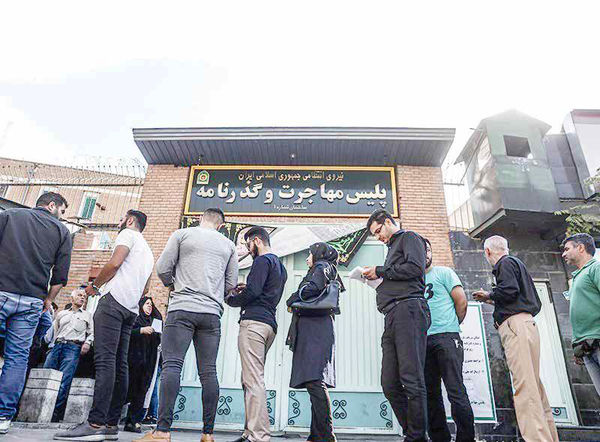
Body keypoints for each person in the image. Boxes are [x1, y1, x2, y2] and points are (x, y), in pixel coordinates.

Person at [135, 208, 238, 442]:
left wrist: (173, 284)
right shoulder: (229, 245)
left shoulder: (182, 234)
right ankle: (208, 434)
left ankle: (162, 431)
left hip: (182, 308)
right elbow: (231, 284)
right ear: (221, 226)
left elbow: (162, 268)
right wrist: (214, 294)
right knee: (208, 372)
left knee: (172, 366)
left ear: (200, 218)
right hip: (211, 314)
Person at [55, 209, 154, 441]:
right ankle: (110, 424)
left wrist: (95, 286)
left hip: (112, 302)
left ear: (130, 220)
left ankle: (95, 423)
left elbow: (115, 263)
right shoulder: (148, 251)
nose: (119, 222)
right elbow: (147, 289)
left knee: (105, 361)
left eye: (121, 219)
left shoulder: (127, 234)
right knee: (120, 364)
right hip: (130, 308)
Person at [473, 235, 558, 442]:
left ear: (488, 252)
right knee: (534, 387)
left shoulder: (504, 263)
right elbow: (518, 296)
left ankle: (536, 439)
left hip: (515, 326)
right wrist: (494, 300)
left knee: (524, 387)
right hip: (526, 324)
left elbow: (509, 290)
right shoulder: (517, 264)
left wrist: (489, 295)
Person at [0, 192, 72, 435]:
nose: (62, 216)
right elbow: (60, 276)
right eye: (62, 211)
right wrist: (48, 301)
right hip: (33, 301)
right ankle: (3, 416)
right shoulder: (62, 232)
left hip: (2, 290)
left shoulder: (9, 216)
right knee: (17, 358)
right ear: (52, 205)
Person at [362, 209, 430, 442]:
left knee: (412, 378)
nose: (378, 237)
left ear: (388, 222)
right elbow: (397, 274)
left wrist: (380, 271)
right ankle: (413, 433)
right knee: (389, 383)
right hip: (392, 315)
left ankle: (416, 437)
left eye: (378, 231)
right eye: (374, 234)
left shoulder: (409, 237)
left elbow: (415, 268)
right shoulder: (391, 249)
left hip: (409, 310)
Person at [225, 227, 288, 442]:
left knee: (252, 380)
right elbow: (265, 291)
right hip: (268, 325)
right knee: (250, 378)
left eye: (248, 244)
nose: (248, 249)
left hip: (253, 324)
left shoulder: (261, 260)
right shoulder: (279, 266)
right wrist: (249, 288)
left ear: (257, 241)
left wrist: (231, 299)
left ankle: (258, 436)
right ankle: (249, 432)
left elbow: (253, 293)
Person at [286, 243, 343, 442]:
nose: (307, 258)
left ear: (318, 254)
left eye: (309, 254)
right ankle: (317, 434)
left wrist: (293, 299)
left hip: (315, 331)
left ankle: (326, 435)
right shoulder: (324, 268)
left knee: (315, 381)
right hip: (316, 329)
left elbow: (314, 288)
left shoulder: (321, 266)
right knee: (314, 381)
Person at [423, 238, 474, 442]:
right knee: (430, 394)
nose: (425, 254)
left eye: (428, 250)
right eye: (421, 250)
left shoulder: (444, 272)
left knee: (455, 390)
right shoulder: (412, 280)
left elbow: (461, 301)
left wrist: (451, 326)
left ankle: (466, 438)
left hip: (447, 338)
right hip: (422, 342)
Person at [44, 287, 94, 422]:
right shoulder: (62, 314)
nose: (82, 298)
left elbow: (91, 333)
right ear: (72, 298)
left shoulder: (88, 315)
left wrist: (87, 343)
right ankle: (42, 410)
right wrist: (51, 346)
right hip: (57, 346)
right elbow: (54, 331)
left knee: (64, 381)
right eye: (79, 295)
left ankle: (55, 415)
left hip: (73, 347)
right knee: (47, 376)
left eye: (84, 296)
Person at [561, 233, 600, 395]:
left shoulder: (595, 268)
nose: (563, 254)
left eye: (567, 249)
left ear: (581, 248)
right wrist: (577, 344)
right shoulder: (577, 276)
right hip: (586, 347)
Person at [124, 297, 162, 433]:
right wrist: (141, 330)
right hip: (132, 361)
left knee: (141, 392)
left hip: (147, 363)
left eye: (151, 304)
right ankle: (113, 419)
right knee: (127, 389)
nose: (149, 306)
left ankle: (133, 421)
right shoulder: (135, 319)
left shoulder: (153, 322)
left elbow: (158, 339)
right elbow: (127, 333)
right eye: (147, 304)